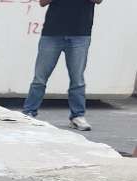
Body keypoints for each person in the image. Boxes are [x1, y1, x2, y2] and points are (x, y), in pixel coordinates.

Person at [22, 0, 103, 131]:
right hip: (52, 33)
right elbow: (42, 2)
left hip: (80, 34)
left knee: (77, 79)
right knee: (40, 78)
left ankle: (77, 116)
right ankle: (29, 112)